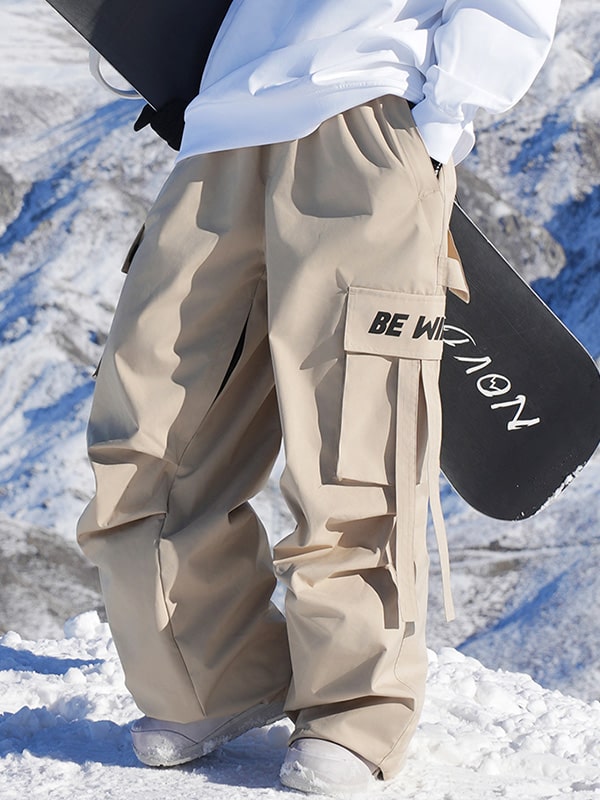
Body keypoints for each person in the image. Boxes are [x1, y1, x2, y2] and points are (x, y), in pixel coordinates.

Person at [77, 1, 561, 795]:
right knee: (144, 429)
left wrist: (442, 123)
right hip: (221, 119)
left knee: (352, 439)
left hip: (365, 103)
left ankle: (354, 708)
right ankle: (207, 677)